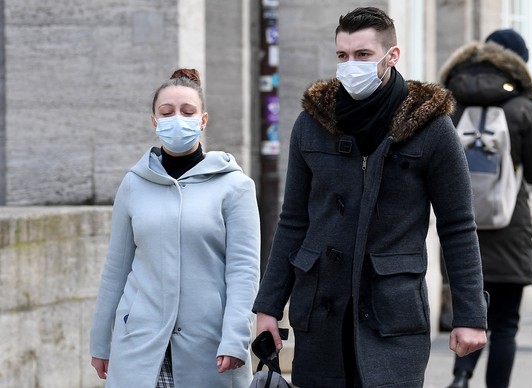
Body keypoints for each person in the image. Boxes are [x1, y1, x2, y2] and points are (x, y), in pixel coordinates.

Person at [252, 7, 488, 388]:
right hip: (321, 311)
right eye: (342, 56)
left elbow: (459, 226)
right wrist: (268, 307)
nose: (350, 66)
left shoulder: (432, 128)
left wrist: (471, 314)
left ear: (391, 57)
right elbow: (293, 220)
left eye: (362, 55)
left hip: (392, 314)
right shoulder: (311, 125)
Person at [89, 68, 261, 387]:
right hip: (139, 342)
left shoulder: (235, 186)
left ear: (203, 120)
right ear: (155, 121)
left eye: (187, 111)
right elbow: (116, 268)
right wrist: (100, 341)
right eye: (166, 112)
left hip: (209, 346)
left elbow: (244, 271)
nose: (177, 118)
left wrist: (236, 338)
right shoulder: (133, 184)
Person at [440, 29, 532, 388]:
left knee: (469, 315)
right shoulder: (523, 107)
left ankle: (460, 377)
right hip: (510, 229)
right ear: (518, 63)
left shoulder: (450, 104)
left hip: (460, 231)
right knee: (505, 324)